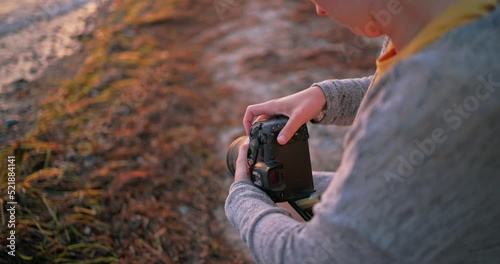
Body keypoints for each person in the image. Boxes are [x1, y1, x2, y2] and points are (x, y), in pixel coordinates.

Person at [225, 0, 500, 263]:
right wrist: (324, 97)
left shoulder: (431, 89)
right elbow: (402, 87)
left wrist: (244, 197)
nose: (319, 9)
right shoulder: (459, 22)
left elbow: (315, 256)